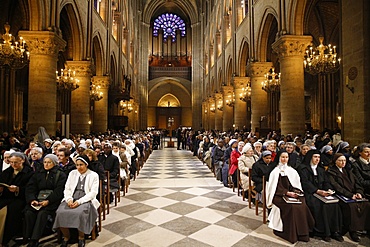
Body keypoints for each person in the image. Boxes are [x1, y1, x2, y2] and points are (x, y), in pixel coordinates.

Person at [266, 151, 314, 243]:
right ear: (279, 158)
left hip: (292, 194)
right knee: (291, 207)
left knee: (302, 204)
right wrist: (286, 192)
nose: (284, 159)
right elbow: (273, 188)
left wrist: (295, 192)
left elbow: (296, 185)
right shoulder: (274, 172)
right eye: (282, 157)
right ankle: (289, 234)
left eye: (286, 157)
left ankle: (303, 233)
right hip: (279, 196)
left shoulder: (292, 171)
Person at [53, 155, 100, 247]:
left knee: (80, 213)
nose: (79, 167)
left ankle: (81, 237)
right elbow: (67, 188)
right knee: (60, 212)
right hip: (71, 198)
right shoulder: (72, 173)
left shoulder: (93, 175)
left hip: (86, 199)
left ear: (86, 165)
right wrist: (69, 199)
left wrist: (79, 202)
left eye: (81, 165)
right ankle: (66, 237)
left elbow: (93, 193)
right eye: (77, 165)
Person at [299, 150, 343, 242]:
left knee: (334, 204)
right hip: (309, 193)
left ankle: (334, 231)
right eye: (315, 157)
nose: (317, 159)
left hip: (322, 192)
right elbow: (305, 183)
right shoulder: (303, 168)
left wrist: (329, 190)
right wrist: (317, 191)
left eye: (319, 157)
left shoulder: (321, 169)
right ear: (310, 157)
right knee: (318, 204)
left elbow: (326, 182)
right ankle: (322, 232)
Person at [24, 154, 67, 247]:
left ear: (54, 163)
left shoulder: (60, 174)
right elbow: (30, 188)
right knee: (29, 212)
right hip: (38, 199)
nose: (46, 164)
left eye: (49, 162)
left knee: (42, 213)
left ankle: (34, 239)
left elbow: (59, 191)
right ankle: (28, 236)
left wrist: (48, 201)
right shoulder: (38, 173)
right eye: (45, 162)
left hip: (52, 201)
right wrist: (32, 200)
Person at [327, 153, 370, 242]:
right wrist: (350, 195)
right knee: (351, 206)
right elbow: (336, 187)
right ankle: (352, 230)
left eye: (344, 161)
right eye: (340, 160)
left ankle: (363, 228)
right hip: (342, 195)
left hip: (353, 194)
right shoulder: (331, 172)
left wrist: (359, 192)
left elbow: (357, 183)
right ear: (335, 162)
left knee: (366, 204)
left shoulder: (348, 171)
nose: (343, 162)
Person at [0, 152, 33, 246]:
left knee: (12, 212)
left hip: (20, 199)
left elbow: (30, 189)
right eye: (11, 162)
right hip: (6, 197)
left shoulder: (29, 173)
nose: (13, 165)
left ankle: (7, 238)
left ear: (22, 161)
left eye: (16, 162)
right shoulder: (7, 172)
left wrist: (18, 189)